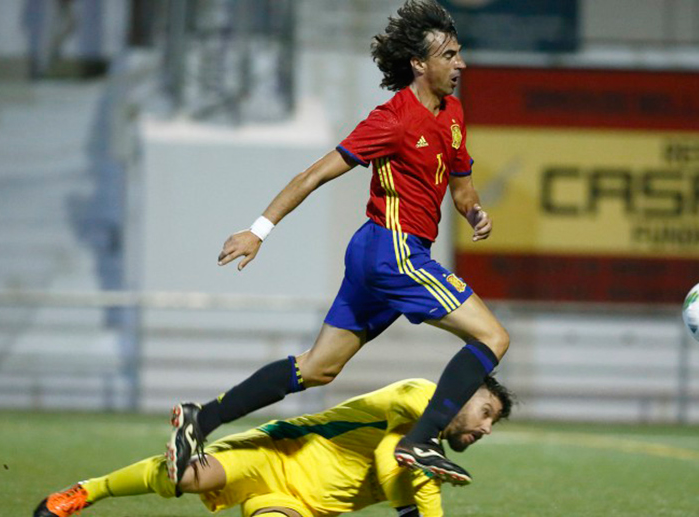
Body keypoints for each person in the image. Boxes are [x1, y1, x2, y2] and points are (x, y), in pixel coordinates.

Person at [166, 0, 509, 489]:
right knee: (493, 337)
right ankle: (423, 440)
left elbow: (461, 187)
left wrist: (474, 212)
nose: (461, 64)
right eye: (450, 55)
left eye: (460, 53)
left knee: (318, 368)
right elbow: (313, 175)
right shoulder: (392, 119)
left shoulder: (452, 113)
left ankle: (202, 420)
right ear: (420, 64)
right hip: (394, 251)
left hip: (381, 253)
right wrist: (257, 230)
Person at [35, 376, 514, 517]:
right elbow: (395, 462)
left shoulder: (426, 459)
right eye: (486, 413)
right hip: (275, 455)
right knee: (184, 475)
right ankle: (86, 491)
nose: (487, 428)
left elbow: (415, 486)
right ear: (459, 395)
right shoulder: (419, 396)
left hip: (297, 507)